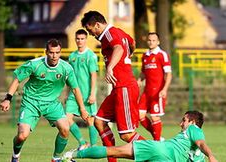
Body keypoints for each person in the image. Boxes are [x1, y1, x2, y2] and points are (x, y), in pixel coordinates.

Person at [0, 39, 89, 162]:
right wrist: (7, 99)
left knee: (65, 128)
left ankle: (56, 158)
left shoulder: (66, 68)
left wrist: (82, 109)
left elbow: (75, 89)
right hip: (31, 102)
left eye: (57, 52)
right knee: (22, 136)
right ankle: (15, 156)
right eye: (51, 52)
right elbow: (17, 80)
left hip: (52, 103)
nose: (54, 56)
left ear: (60, 52)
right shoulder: (34, 64)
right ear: (46, 52)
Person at [81, 11, 145, 162]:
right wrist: (125, 59)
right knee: (99, 121)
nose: (91, 34)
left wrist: (111, 67)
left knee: (126, 135)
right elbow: (132, 43)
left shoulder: (109, 33)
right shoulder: (118, 32)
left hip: (125, 87)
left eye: (90, 30)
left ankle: (159, 154)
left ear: (97, 24)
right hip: (119, 88)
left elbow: (119, 48)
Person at [62, 110, 218, 162]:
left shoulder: (194, 129)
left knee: (114, 151)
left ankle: (71, 155)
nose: (180, 124)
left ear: (192, 122)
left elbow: (201, 143)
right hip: (166, 158)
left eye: (183, 120)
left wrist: (211, 155)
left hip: (159, 149)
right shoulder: (198, 158)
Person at [65, 29, 99, 149]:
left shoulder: (91, 56)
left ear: (86, 39)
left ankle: (94, 147)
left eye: (82, 39)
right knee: (67, 118)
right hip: (73, 95)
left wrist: (92, 94)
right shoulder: (72, 56)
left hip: (87, 94)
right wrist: (66, 94)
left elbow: (94, 76)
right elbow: (68, 77)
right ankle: (82, 143)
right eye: (78, 39)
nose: (80, 41)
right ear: (75, 39)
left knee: (90, 121)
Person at [137, 32, 172, 141]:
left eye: (153, 40)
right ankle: (157, 137)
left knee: (154, 116)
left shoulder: (162, 54)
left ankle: (157, 142)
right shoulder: (145, 55)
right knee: (139, 115)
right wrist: (139, 80)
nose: (151, 42)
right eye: (149, 40)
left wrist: (164, 89)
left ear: (158, 42)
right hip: (146, 92)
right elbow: (143, 72)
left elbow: (169, 74)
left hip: (157, 91)